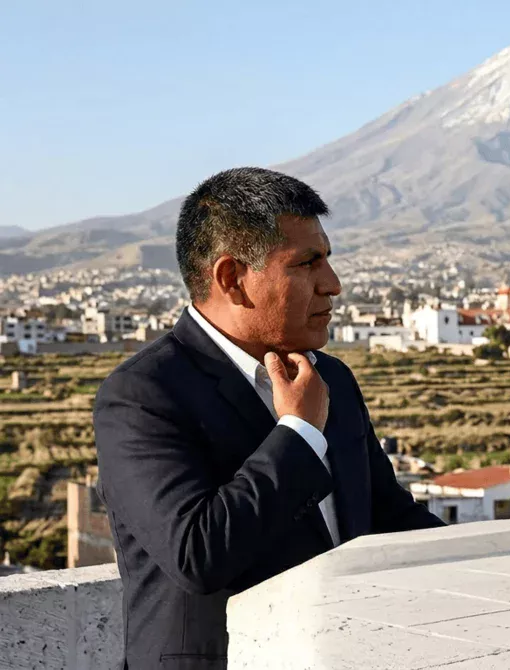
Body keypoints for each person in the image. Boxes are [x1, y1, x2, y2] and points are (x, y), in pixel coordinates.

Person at [94, 167, 445, 669]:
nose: (333, 285)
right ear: (232, 279)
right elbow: (198, 554)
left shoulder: (332, 380)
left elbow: (387, 518)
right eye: (308, 263)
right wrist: (298, 432)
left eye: (328, 259)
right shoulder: (141, 396)